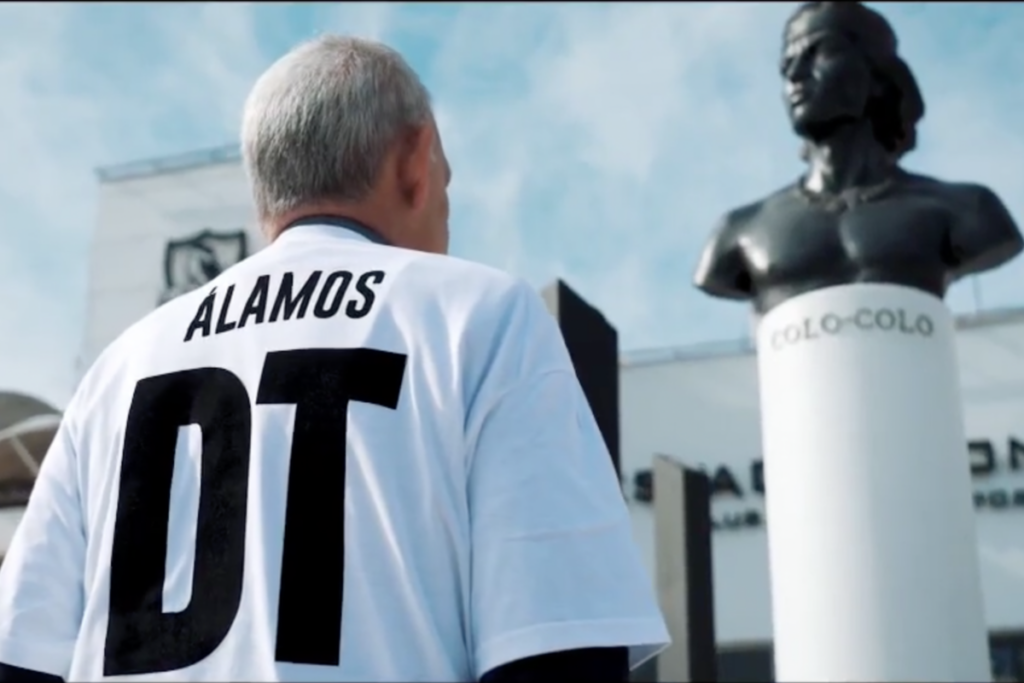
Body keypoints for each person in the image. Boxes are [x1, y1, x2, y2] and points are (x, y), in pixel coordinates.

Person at [0, 36, 668, 682]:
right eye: (447, 183)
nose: (445, 208)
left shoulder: (116, 370)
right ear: (414, 158)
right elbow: (562, 650)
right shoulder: (483, 318)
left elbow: (21, 655)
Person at [693, 1, 1022, 314]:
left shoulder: (969, 210)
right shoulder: (740, 230)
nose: (795, 74)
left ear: (878, 76)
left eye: (820, 52)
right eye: (786, 64)